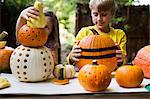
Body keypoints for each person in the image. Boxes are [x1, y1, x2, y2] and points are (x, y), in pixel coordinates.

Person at [67, 0, 127, 67]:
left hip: (112, 73)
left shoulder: (119, 35)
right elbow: (72, 59)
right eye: (95, 14)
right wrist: (71, 58)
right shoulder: (84, 33)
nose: (99, 18)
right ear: (91, 13)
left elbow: (123, 60)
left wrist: (121, 59)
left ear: (112, 14)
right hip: (87, 73)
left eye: (103, 15)